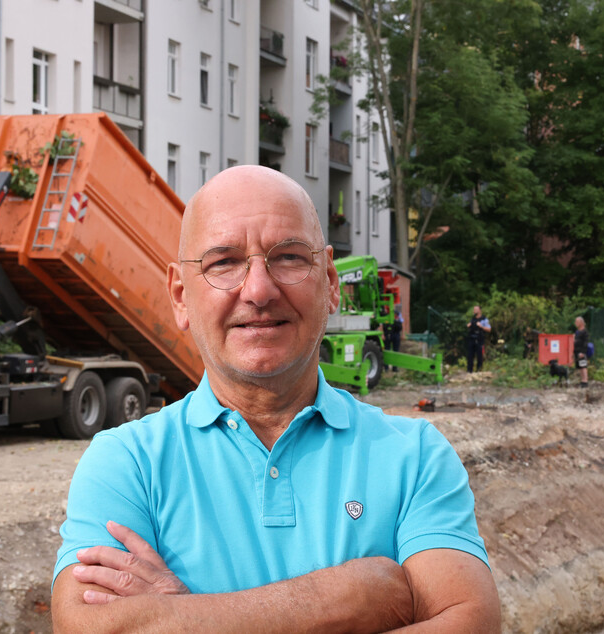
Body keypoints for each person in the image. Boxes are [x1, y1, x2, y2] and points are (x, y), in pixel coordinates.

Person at [51, 166, 501, 632]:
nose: (260, 290)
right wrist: (351, 596)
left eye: (287, 257)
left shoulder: (415, 455)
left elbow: (471, 624)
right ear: (181, 296)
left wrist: (180, 616)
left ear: (329, 282)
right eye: (223, 263)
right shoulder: (126, 463)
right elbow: (90, 626)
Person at [466, 305, 491, 373]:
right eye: (474, 309)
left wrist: (481, 326)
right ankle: (469, 371)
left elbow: (489, 329)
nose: (474, 311)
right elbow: (469, 326)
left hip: (479, 339)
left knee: (479, 355)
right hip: (471, 338)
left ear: (480, 310)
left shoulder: (484, 319)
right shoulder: (473, 319)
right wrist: (468, 325)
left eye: (476, 309)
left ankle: (479, 370)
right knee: (470, 355)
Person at [574, 316, 589, 388]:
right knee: (580, 367)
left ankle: (585, 381)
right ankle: (582, 381)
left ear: (581, 322)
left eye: (576, 322)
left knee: (583, 366)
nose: (575, 323)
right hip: (576, 351)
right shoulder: (577, 332)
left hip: (581, 352)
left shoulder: (584, 332)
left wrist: (583, 352)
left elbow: (585, 343)